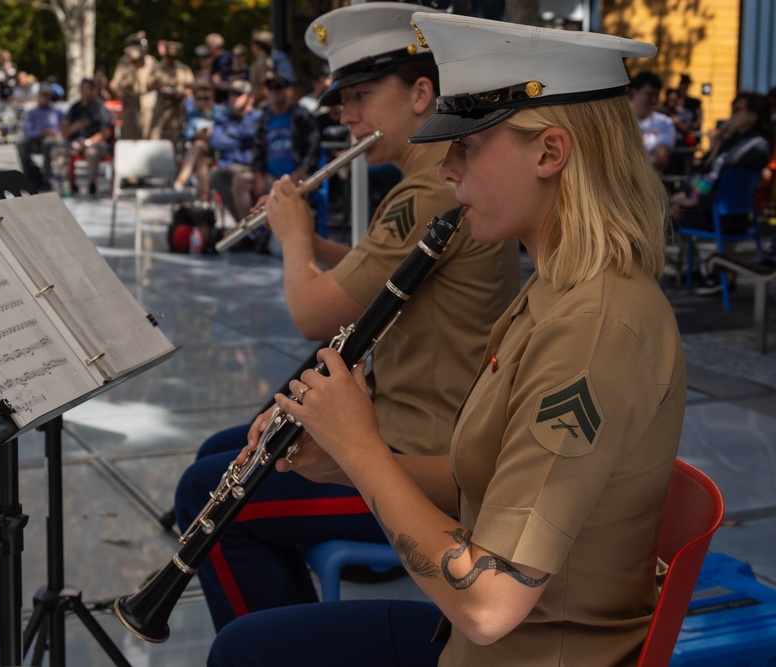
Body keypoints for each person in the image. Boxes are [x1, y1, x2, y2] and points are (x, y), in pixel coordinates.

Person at [207, 12, 683, 667]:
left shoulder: (596, 326)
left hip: (525, 651)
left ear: (550, 152)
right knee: (249, 646)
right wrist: (341, 456)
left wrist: (362, 446)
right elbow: (477, 487)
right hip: (480, 646)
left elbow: (490, 603)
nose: (448, 170)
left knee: (248, 653)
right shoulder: (556, 289)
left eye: (467, 146)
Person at [176, 2, 521, 635]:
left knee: (204, 489)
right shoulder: (428, 183)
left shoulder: (429, 190)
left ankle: (274, 643)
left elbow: (312, 313)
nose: (346, 115)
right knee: (221, 452)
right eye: (342, 100)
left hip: (421, 453)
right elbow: (368, 272)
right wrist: (307, 239)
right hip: (400, 424)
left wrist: (291, 235)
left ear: (422, 93)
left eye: (361, 95)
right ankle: (288, 616)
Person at [672, 91, 773, 294]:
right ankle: (704, 271)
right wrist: (717, 145)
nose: (732, 115)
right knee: (669, 210)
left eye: (737, 110)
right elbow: (707, 173)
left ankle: (707, 272)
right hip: (719, 210)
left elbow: (724, 181)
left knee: (665, 217)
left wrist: (693, 200)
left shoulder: (755, 147)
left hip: (725, 216)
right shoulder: (733, 144)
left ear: (753, 115)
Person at [228, 70, 320, 235]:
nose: (275, 92)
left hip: (296, 175)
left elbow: (313, 145)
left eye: (279, 87)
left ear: (290, 90)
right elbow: (257, 148)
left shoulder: (301, 115)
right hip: (269, 175)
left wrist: (302, 170)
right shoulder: (265, 118)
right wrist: (258, 174)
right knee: (238, 180)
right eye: (271, 88)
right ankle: (252, 234)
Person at [207, 79, 263, 222]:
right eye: (232, 94)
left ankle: (248, 227)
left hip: (251, 167)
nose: (234, 98)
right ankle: (244, 224)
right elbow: (215, 141)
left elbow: (253, 134)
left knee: (240, 180)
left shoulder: (258, 116)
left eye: (239, 94)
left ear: (250, 97)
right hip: (228, 167)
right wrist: (242, 138)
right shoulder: (223, 118)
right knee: (215, 174)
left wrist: (230, 134)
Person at [58, 77, 113, 197]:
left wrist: (88, 142)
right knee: (58, 151)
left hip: (96, 144)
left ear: (94, 90)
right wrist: (76, 127)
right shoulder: (75, 108)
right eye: (83, 89)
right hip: (75, 142)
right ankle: (69, 185)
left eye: (88, 89)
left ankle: (92, 186)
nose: (85, 91)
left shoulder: (100, 108)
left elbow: (106, 132)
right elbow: (64, 131)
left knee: (91, 153)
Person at [174, 80, 223, 200]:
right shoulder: (193, 114)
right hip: (200, 152)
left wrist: (210, 134)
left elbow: (225, 133)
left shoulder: (221, 112)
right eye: (199, 98)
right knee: (200, 152)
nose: (203, 101)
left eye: (206, 97)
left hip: (217, 150)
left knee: (198, 145)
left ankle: (181, 180)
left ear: (212, 96)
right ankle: (204, 195)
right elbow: (188, 135)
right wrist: (199, 134)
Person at [18, 82, 66, 192]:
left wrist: (54, 133)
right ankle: (31, 176)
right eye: (42, 95)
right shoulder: (31, 112)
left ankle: (48, 179)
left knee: (47, 143)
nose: (44, 97)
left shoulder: (57, 112)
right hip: (36, 138)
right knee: (22, 145)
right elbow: (27, 131)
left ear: (50, 96)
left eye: (47, 95)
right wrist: (41, 133)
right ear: (38, 96)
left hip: (52, 140)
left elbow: (64, 130)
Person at [148, 40, 195, 148]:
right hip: (160, 109)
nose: (171, 60)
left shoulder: (184, 69)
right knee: (155, 137)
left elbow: (192, 88)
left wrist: (182, 92)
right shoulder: (157, 68)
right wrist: (160, 88)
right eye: (169, 57)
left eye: (173, 57)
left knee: (173, 140)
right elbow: (148, 85)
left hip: (176, 110)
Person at [629, 70, 675, 174]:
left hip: (649, 184)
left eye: (657, 95)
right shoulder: (619, 119)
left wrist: (628, 160)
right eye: (649, 94)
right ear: (634, 92)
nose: (654, 100)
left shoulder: (664, 122)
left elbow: (660, 159)